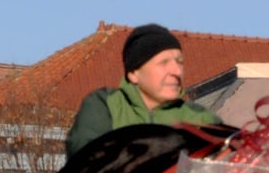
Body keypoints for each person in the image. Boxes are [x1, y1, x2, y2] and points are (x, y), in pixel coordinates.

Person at [64, 24, 220, 158]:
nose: (177, 71)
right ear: (133, 74)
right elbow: (84, 162)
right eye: (164, 62)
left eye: (179, 62)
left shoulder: (200, 118)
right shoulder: (104, 106)